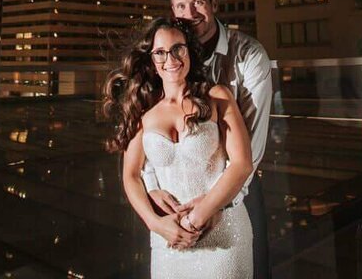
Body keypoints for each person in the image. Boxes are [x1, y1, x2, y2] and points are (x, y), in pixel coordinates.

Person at [103, 18, 254, 278]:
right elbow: (130, 175)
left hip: (222, 234)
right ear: (151, 59)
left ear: (189, 51)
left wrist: (196, 218)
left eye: (177, 49)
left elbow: (242, 165)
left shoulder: (217, 96)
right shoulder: (144, 111)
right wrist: (156, 224)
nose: (170, 59)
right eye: (160, 52)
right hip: (168, 239)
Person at [150, 0, 273, 278]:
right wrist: (152, 191)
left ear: (214, 3)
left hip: (236, 193)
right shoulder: (165, 60)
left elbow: (251, 149)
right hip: (175, 205)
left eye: (198, 3)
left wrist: (219, 205)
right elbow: (147, 130)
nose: (190, 13)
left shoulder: (248, 56)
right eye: (180, 6)